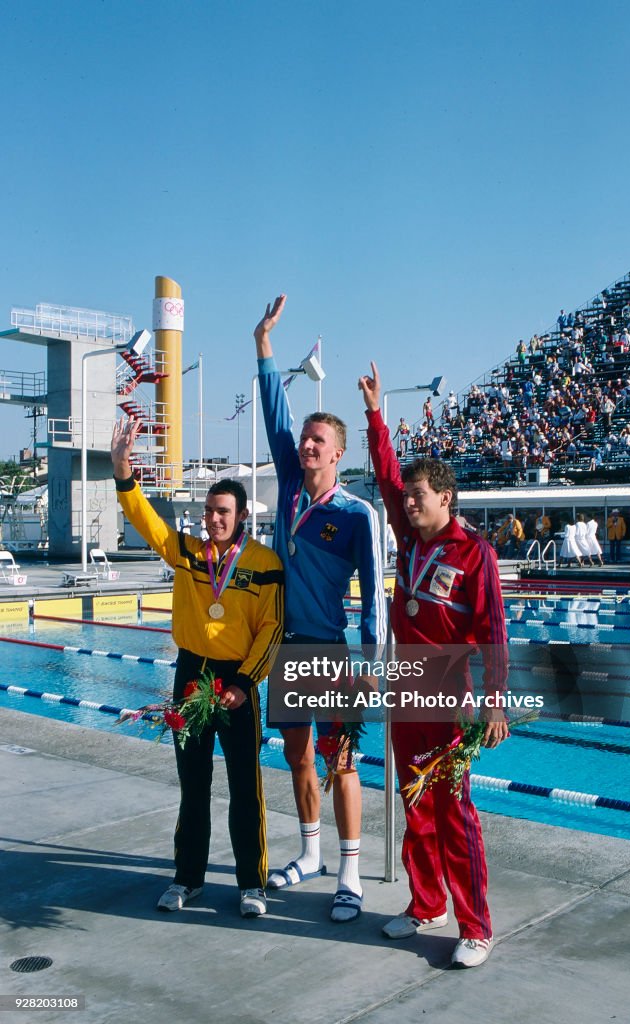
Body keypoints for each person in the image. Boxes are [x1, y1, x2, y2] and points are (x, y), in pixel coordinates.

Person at [358, 361, 509, 970]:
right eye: (409, 497)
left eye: (419, 497)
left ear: (445, 497)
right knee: (415, 801)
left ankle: (476, 925)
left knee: (453, 810)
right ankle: (426, 905)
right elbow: (387, 475)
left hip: (450, 691)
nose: (409, 502)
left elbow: (494, 630)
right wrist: (374, 416)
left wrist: (495, 701)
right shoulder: (410, 536)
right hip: (404, 688)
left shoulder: (476, 554)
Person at [111, 418, 284, 919]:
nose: (213, 519)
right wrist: (123, 469)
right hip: (191, 674)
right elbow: (146, 520)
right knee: (194, 784)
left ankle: (253, 884)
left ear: (242, 515)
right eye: (209, 511)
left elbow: (270, 629)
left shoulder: (265, 562)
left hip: (239, 679)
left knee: (244, 787)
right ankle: (188, 878)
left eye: (222, 512)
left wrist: (244, 683)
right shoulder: (188, 553)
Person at [254, 295, 385, 923]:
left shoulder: (357, 515)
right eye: (305, 438)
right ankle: (309, 854)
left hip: (330, 650)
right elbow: (275, 411)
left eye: (319, 440)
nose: (306, 444)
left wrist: (371, 661)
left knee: (340, 760)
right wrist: (264, 345)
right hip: (286, 645)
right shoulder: (286, 484)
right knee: (296, 754)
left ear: (339, 454)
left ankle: (351, 874)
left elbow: (374, 596)